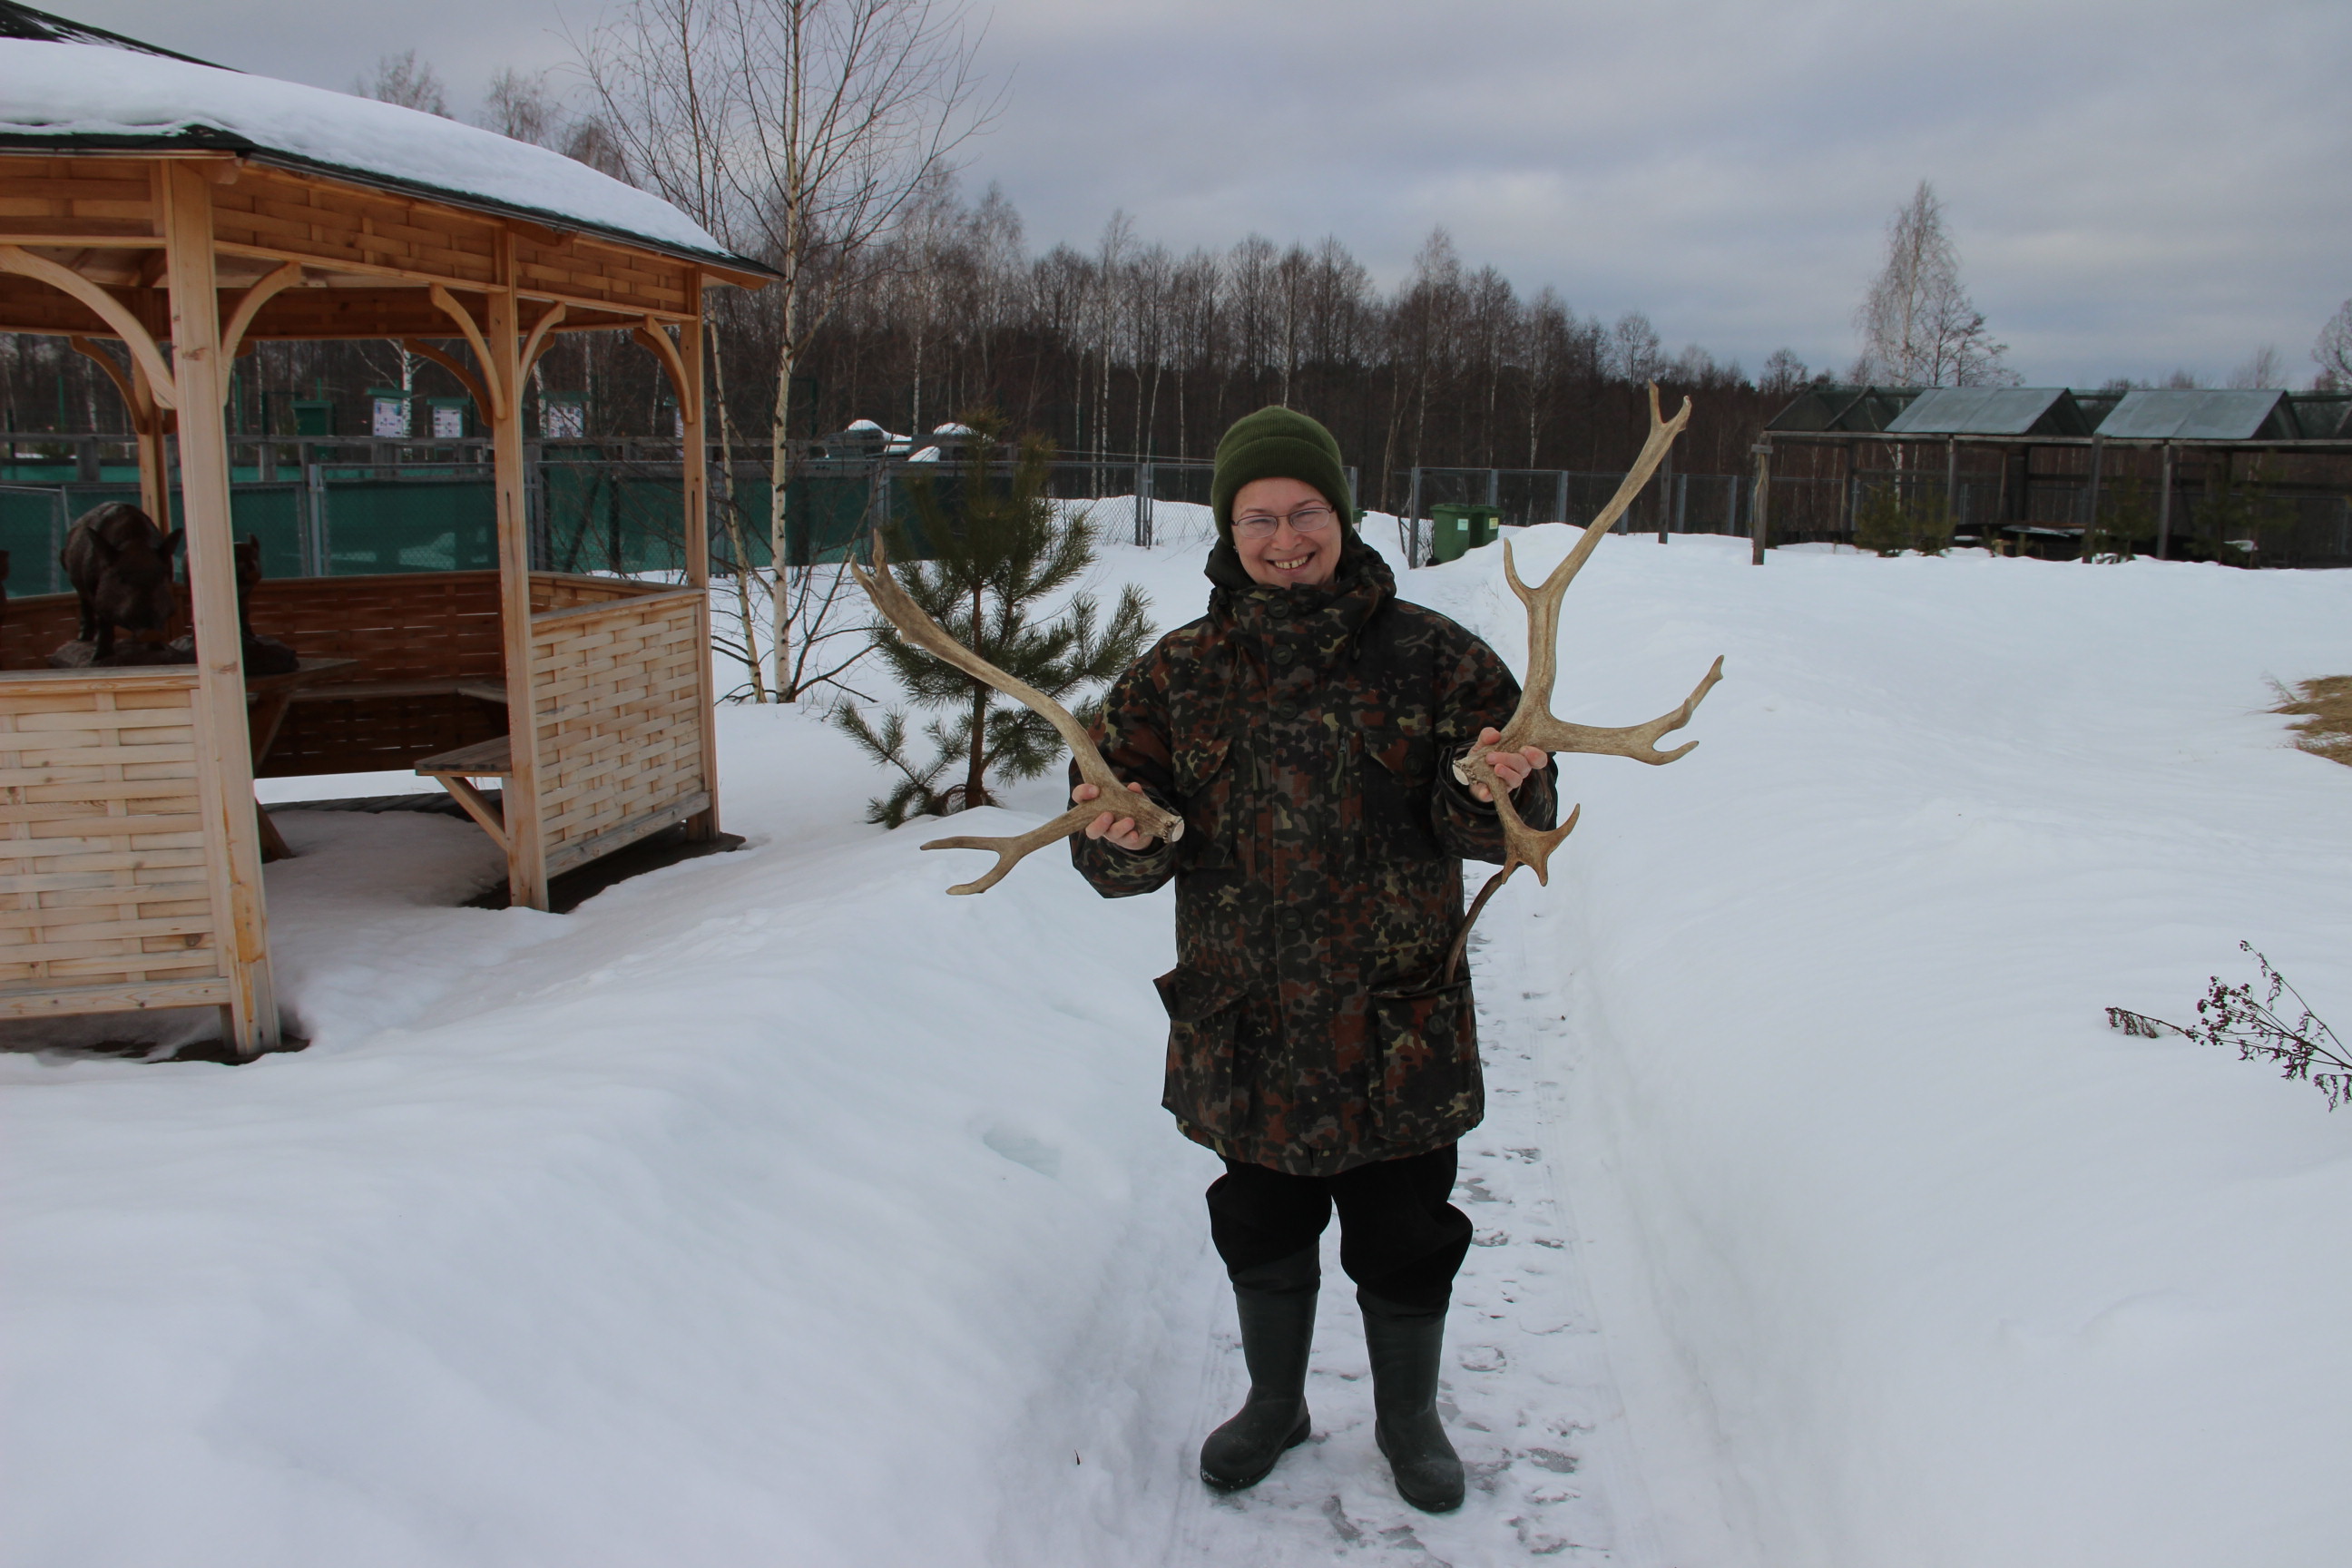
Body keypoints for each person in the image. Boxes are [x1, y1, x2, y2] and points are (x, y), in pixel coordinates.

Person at [1069, 407, 1553, 1514]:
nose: (1285, 539)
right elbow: (1114, 831)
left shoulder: (1437, 658)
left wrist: (1500, 783)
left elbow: (1501, 826)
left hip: (1396, 1020)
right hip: (1251, 1017)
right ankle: (1276, 1403)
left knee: (1408, 1232)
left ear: (1342, 515)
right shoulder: (1176, 675)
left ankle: (1408, 1418)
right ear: (1227, 529)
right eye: (1259, 518)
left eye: (1304, 513)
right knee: (1259, 1220)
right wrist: (1124, 835)